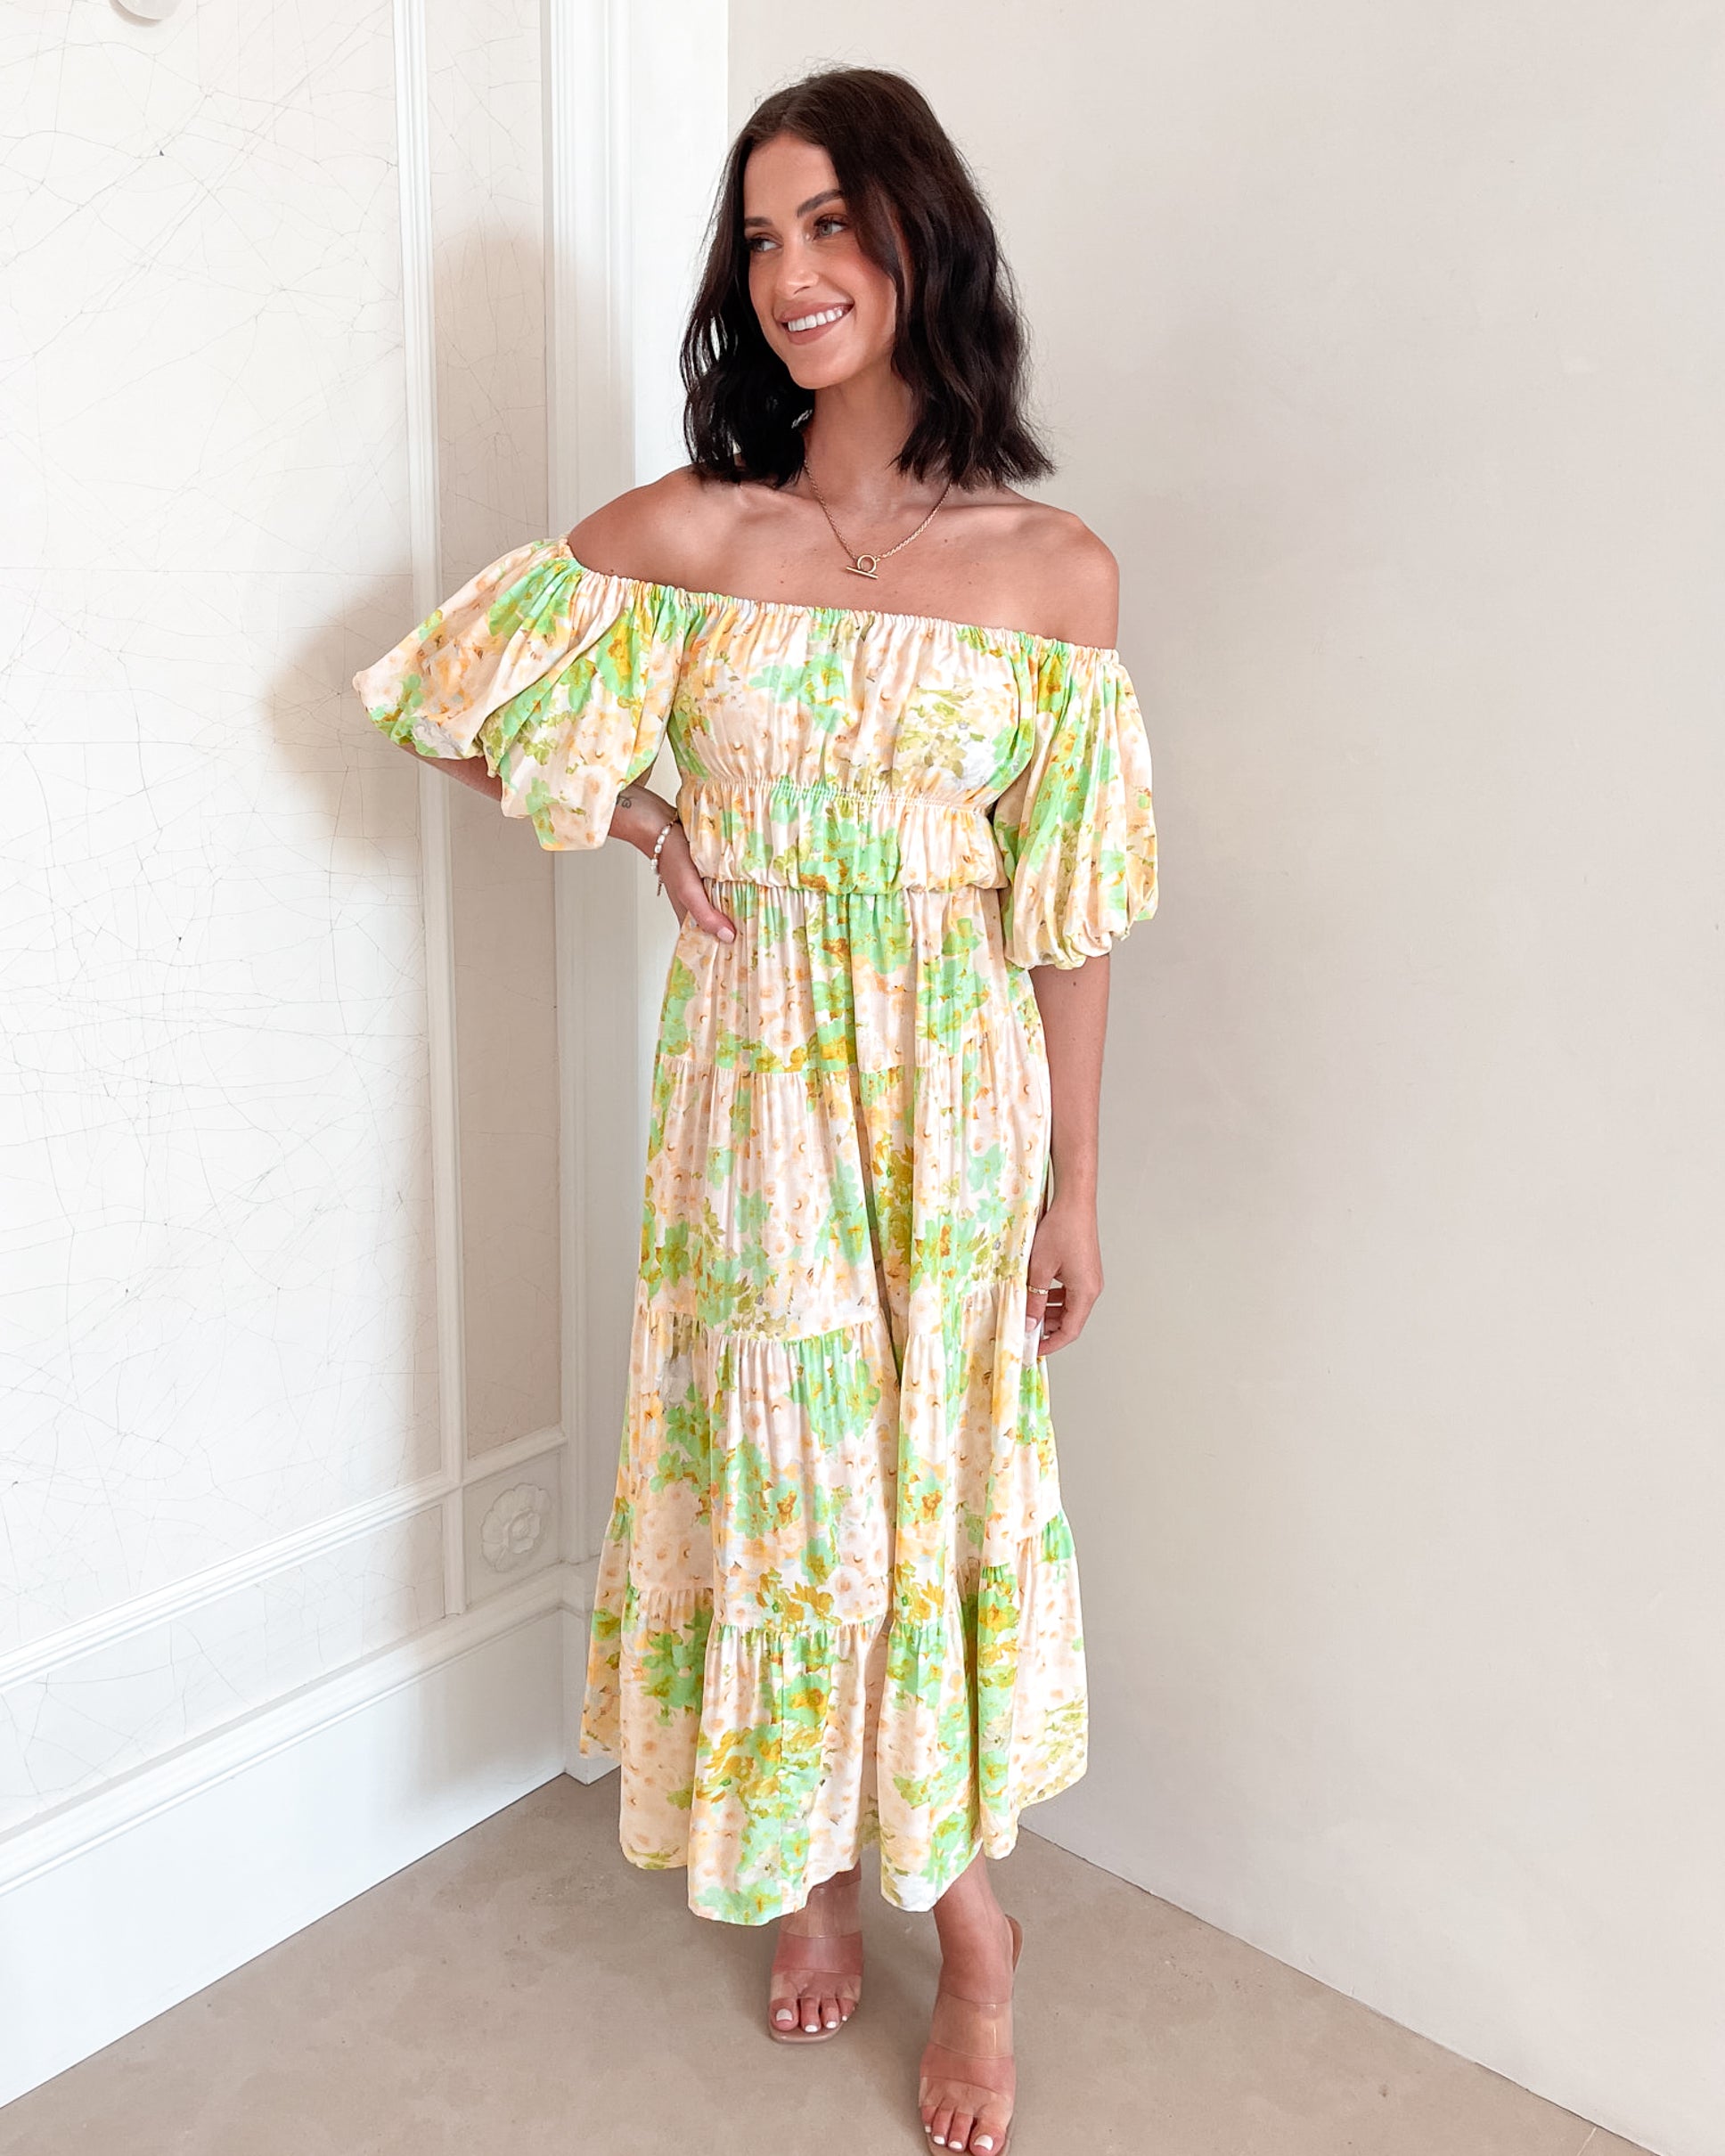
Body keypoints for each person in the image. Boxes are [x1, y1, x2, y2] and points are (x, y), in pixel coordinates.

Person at [354, 64, 1157, 2156]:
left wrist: (1075, 1185)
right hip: (751, 1095)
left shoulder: (1051, 570)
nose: (792, 272)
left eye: (830, 223)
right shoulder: (694, 536)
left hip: (956, 1106)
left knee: (930, 1494)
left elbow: (1069, 915)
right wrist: (634, 815)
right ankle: (817, 1863)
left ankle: (967, 1934)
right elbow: (436, 695)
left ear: (915, 240)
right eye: (759, 235)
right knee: (795, 1494)